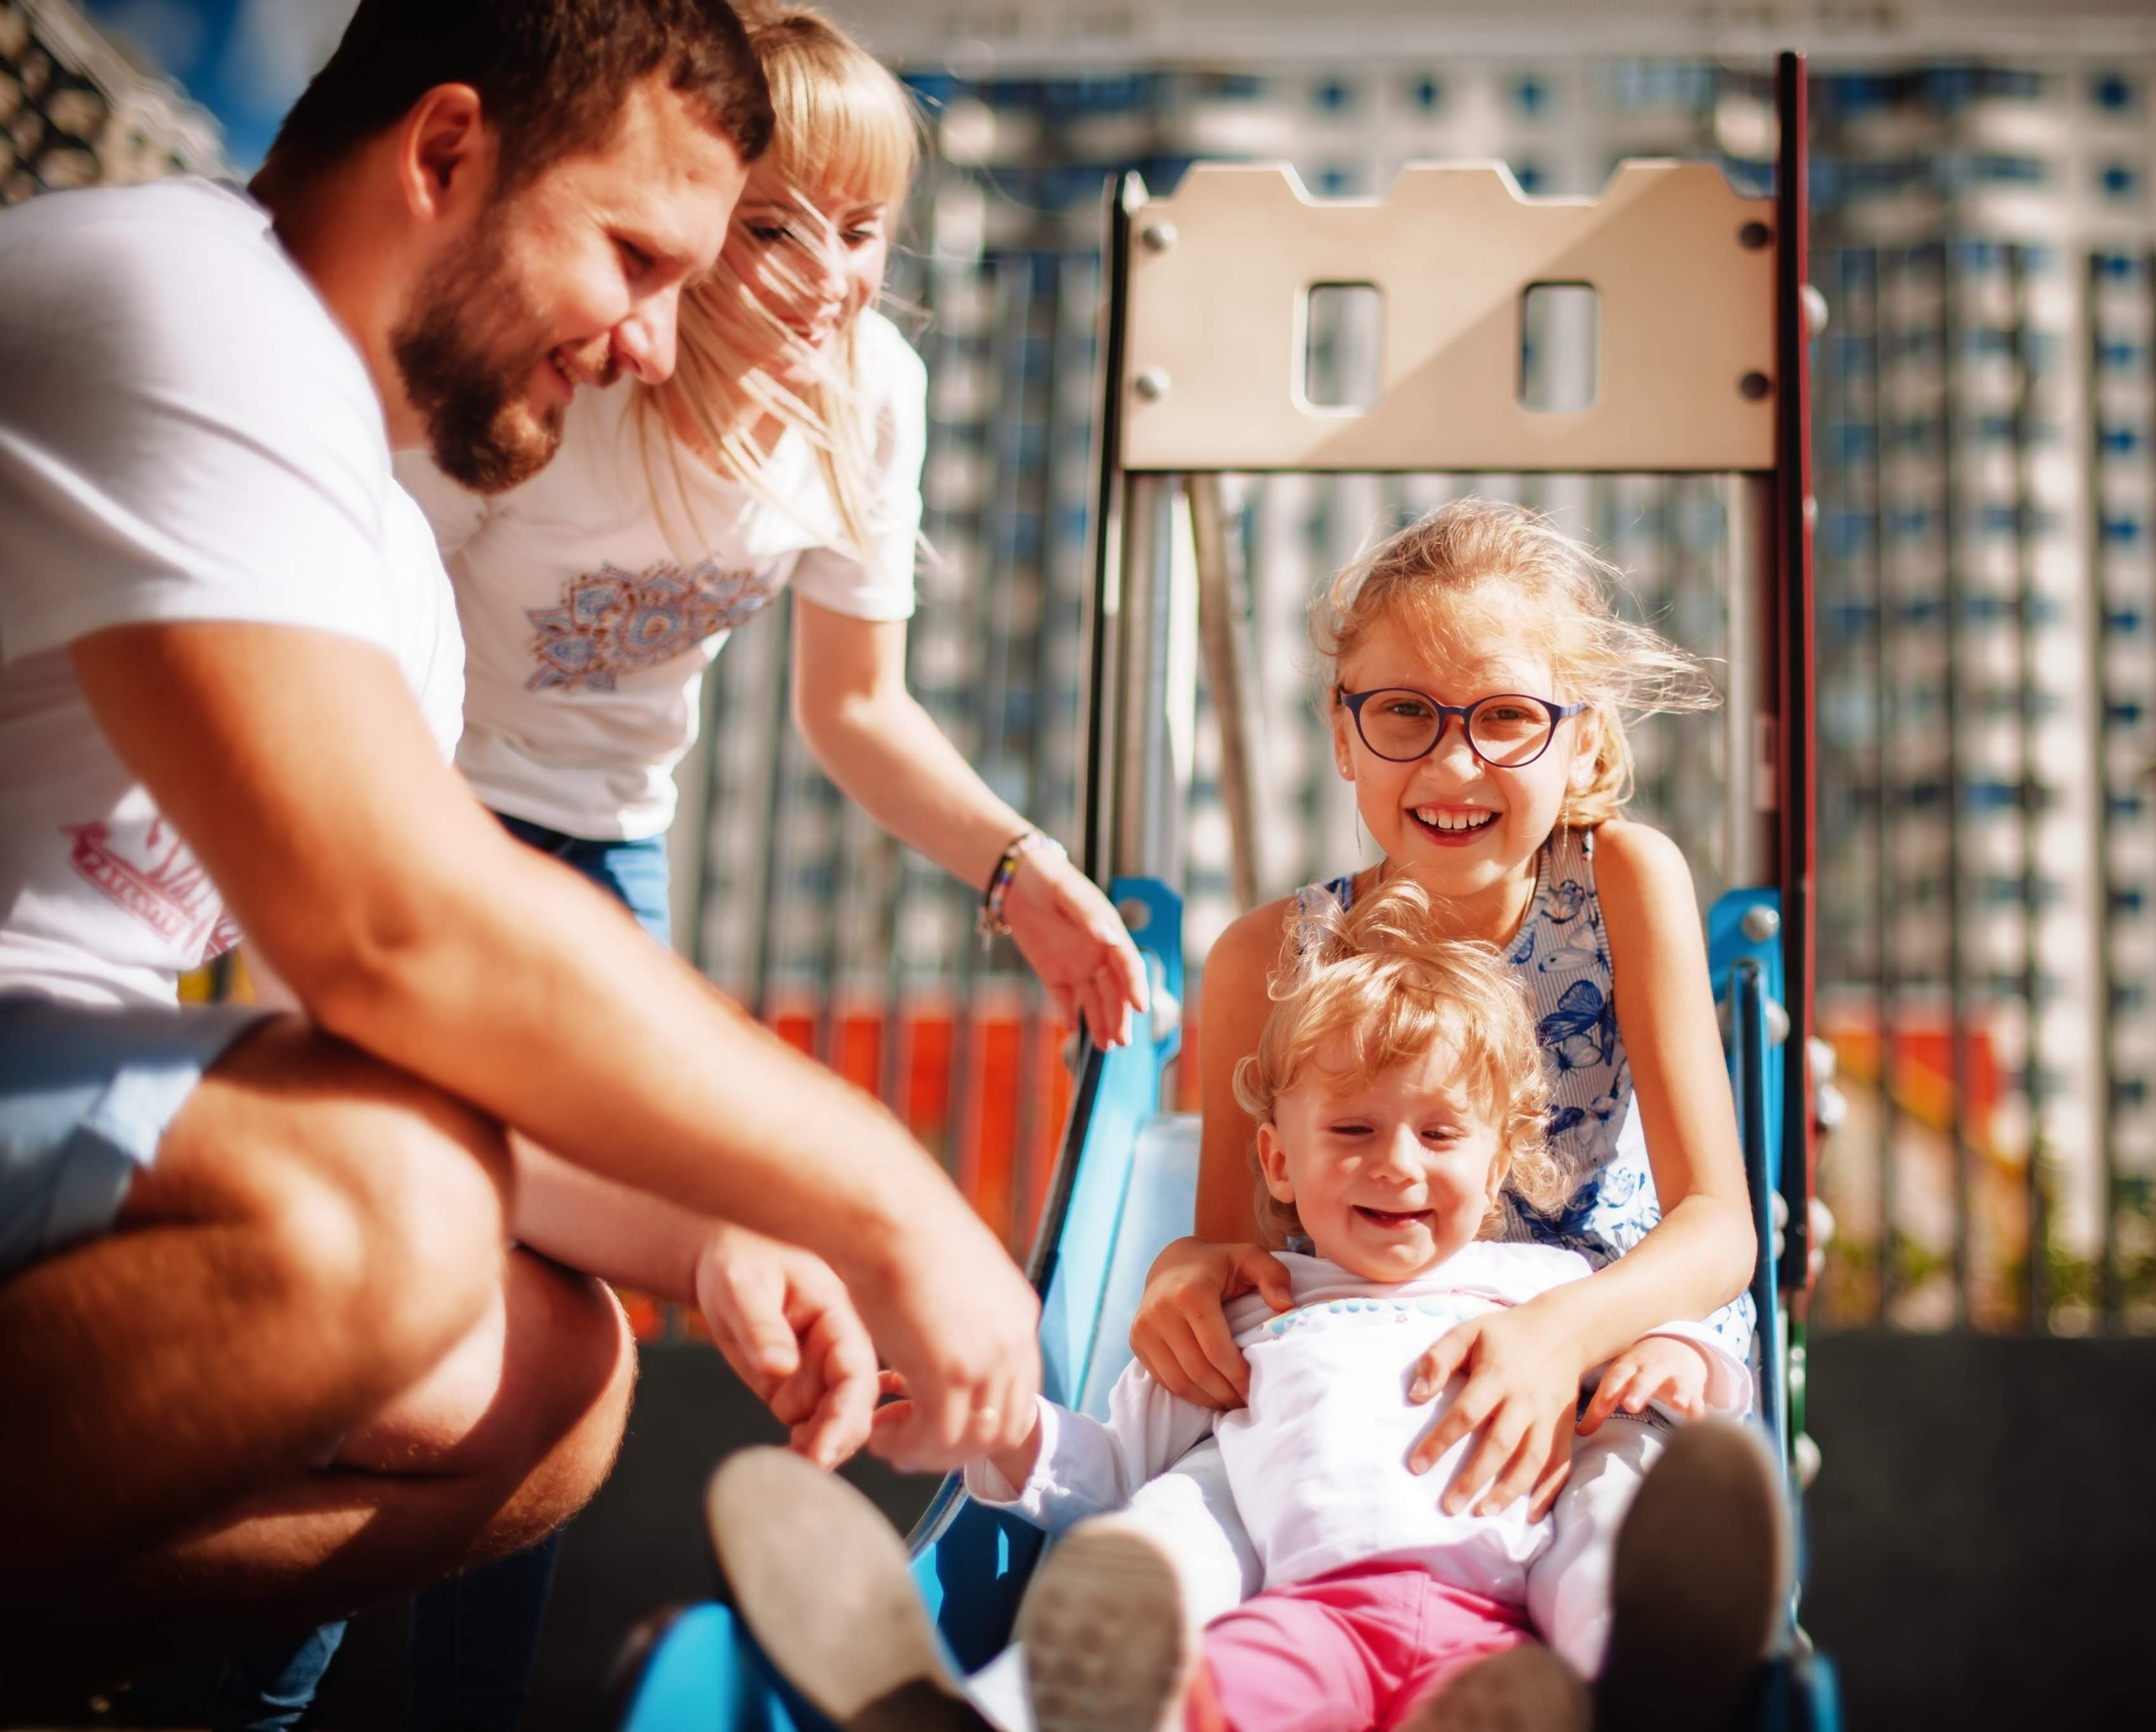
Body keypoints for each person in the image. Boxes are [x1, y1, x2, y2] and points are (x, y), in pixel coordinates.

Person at [0, 0, 1039, 1695]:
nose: (654, 341)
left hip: (50, 1083)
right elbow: (391, 937)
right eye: (636, 258)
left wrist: (708, 1237)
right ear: (444, 153)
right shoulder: (181, 301)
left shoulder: (394, 588)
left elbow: (382, 1030)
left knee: (554, 1373)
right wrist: (886, 1197)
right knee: (396, 1210)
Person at [700, 882, 1785, 1732]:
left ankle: (1643, 1677)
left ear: (1497, 1160)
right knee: (1170, 1601)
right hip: (1305, 1620)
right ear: (1277, 1162)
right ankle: (983, 1713)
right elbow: (1114, 1463)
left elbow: (1664, 1360)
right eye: (1351, 1131)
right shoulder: (1250, 1311)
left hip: (1506, 1626)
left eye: (1440, 1133)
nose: (1397, 1164)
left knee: (1599, 1535)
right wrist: (1004, 1429)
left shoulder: (1545, 1290)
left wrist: (1678, 1356)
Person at [395, 3, 1149, 1044]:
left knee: (632, 1114)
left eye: (859, 231)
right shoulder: (566, 375)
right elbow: (364, 621)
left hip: (616, 831)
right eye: (771, 229)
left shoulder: (873, 391)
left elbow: (855, 705)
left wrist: (1018, 867)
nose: (829, 278)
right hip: (428, 797)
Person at [1118, 498, 1761, 1646]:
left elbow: (1718, 1227)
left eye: (1507, 716)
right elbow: (1242, 1259)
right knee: (1215, 1485)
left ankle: (1632, 1657)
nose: (1454, 762)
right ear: (1342, 730)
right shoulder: (1265, 958)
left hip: (1606, 1334)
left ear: (1582, 740)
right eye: (1405, 712)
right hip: (1377, 1354)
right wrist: (1184, 1271)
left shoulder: (1621, 880)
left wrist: (1561, 1333)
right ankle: (1127, 1654)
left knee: (1633, 1466)